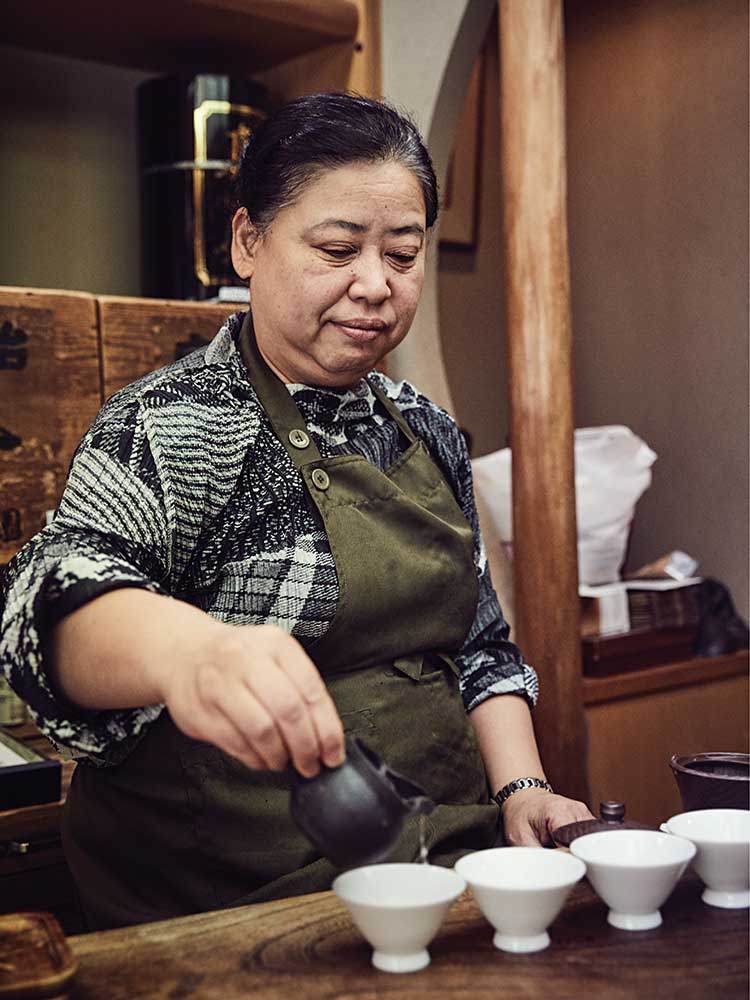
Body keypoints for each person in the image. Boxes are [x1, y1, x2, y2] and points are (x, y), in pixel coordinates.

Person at [0, 92, 592, 930]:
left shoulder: (426, 431)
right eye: (338, 248)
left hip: (447, 864)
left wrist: (522, 788)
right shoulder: (174, 423)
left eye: (403, 252)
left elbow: (482, 647)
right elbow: (46, 604)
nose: (375, 286)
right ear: (249, 241)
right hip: (234, 904)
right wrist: (189, 652)